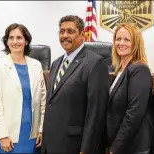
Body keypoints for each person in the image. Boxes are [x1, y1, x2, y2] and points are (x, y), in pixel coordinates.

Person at [41, 15, 109, 154]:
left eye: (70, 31)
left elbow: (96, 112)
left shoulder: (95, 63)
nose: (65, 35)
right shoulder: (56, 63)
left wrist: (87, 149)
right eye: (62, 31)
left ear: (82, 34)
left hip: (74, 145)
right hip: (51, 143)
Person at [0, 23, 46, 154]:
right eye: (11, 38)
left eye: (19, 38)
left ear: (26, 41)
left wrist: (41, 129)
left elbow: (43, 100)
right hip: (7, 134)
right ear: (6, 42)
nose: (15, 41)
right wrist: (2, 134)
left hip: (32, 133)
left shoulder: (36, 65)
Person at [107, 23, 153, 154]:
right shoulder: (116, 70)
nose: (121, 43)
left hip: (133, 146)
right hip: (118, 142)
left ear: (136, 43)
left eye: (127, 39)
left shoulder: (139, 70)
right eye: (118, 39)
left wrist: (115, 148)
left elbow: (134, 114)